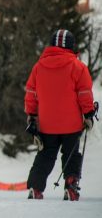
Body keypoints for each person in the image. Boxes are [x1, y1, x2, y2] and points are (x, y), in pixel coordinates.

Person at [24, 29, 95, 201]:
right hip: (71, 124)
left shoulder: (38, 67)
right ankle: (71, 187)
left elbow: (31, 94)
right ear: (71, 46)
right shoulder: (78, 67)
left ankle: (35, 188)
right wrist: (88, 114)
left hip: (48, 124)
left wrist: (32, 116)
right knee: (71, 154)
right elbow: (84, 93)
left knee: (45, 155)